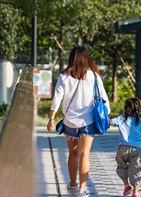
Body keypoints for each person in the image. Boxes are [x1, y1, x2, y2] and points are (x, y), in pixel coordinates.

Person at [47, 46, 110, 197]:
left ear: (71, 59)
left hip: (70, 122)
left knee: (73, 154)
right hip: (88, 121)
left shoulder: (64, 76)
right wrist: (106, 116)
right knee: (85, 154)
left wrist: (51, 118)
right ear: (86, 58)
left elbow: (57, 98)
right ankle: (82, 188)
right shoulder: (94, 76)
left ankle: (73, 185)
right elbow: (104, 99)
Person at [110, 98, 141, 197]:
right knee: (136, 169)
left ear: (126, 108)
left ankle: (126, 185)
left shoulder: (121, 119)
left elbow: (110, 122)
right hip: (137, 150)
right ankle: (135, 192)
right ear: (138, 109)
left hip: (122, 149)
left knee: (121, 167)